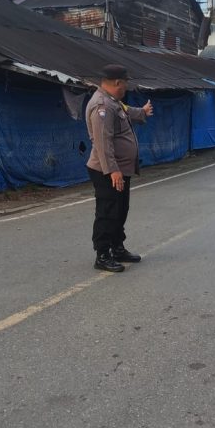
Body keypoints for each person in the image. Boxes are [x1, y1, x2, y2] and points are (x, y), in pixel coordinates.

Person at [85, 64, 153, 272]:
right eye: (125, 83)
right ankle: (103, 254)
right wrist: (113, 171)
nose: (127, 87)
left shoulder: (114, 102)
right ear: (117, 83)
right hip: (107, 171)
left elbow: (127, 112)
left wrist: (142, 112)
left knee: (120, 210)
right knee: (107, 211)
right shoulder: (101, 107)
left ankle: (117, 247)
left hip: (120, 170)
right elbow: (103, 143)